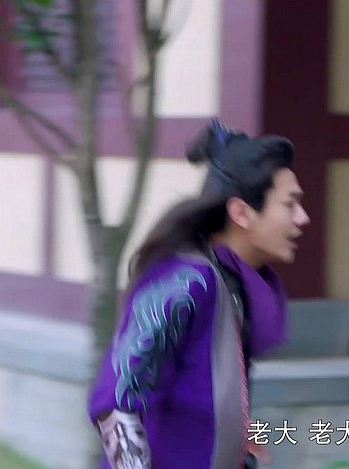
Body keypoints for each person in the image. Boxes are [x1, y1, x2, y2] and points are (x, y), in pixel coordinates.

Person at [87, 118, 310, 469]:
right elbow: (116, 402)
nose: (302, 218)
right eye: (289, 204)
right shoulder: (184, 282)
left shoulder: (232, 281)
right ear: (242, 212)